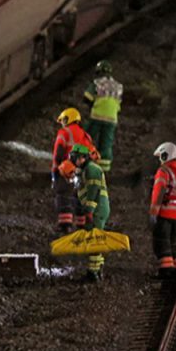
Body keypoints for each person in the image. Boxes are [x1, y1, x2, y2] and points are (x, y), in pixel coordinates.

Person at [53, 108, 97, 233]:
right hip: (84, 171)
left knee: (64, 196)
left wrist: (56, 170)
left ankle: (65, 226)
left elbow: (58, 153)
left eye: (64, 120)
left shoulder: (63, 132)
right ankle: (81, 226)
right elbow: (92, 154)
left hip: (67, 170)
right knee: (80, 198)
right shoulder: (85, 135)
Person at [71, 144, 110, 281]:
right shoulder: (84, 170)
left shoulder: (92, 169)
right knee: (95, 238)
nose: (74, 161)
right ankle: (98, 269)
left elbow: (93, 191)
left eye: (76, 158)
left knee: (93, 240)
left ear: (83, 157)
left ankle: (93, 273)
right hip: (97, 209)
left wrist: (89, 211)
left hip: (97, 209)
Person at [150, 142, 176, 278]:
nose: (160, 160)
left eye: (161, 157)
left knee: (162, 241)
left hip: (165, 213)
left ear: (166, 156)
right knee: (174, 242)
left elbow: (158, 193)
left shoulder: (163, 172)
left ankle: (166, 270)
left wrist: (153, 213)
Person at [83, 60, 123, 172]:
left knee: (86, 138)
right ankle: (103, 169)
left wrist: (93, 104)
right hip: (112, 119)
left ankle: (80, 161)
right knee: (106, 143)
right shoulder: (118, 86)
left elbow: (87, 97)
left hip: (97, 116)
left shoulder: (97, 83)